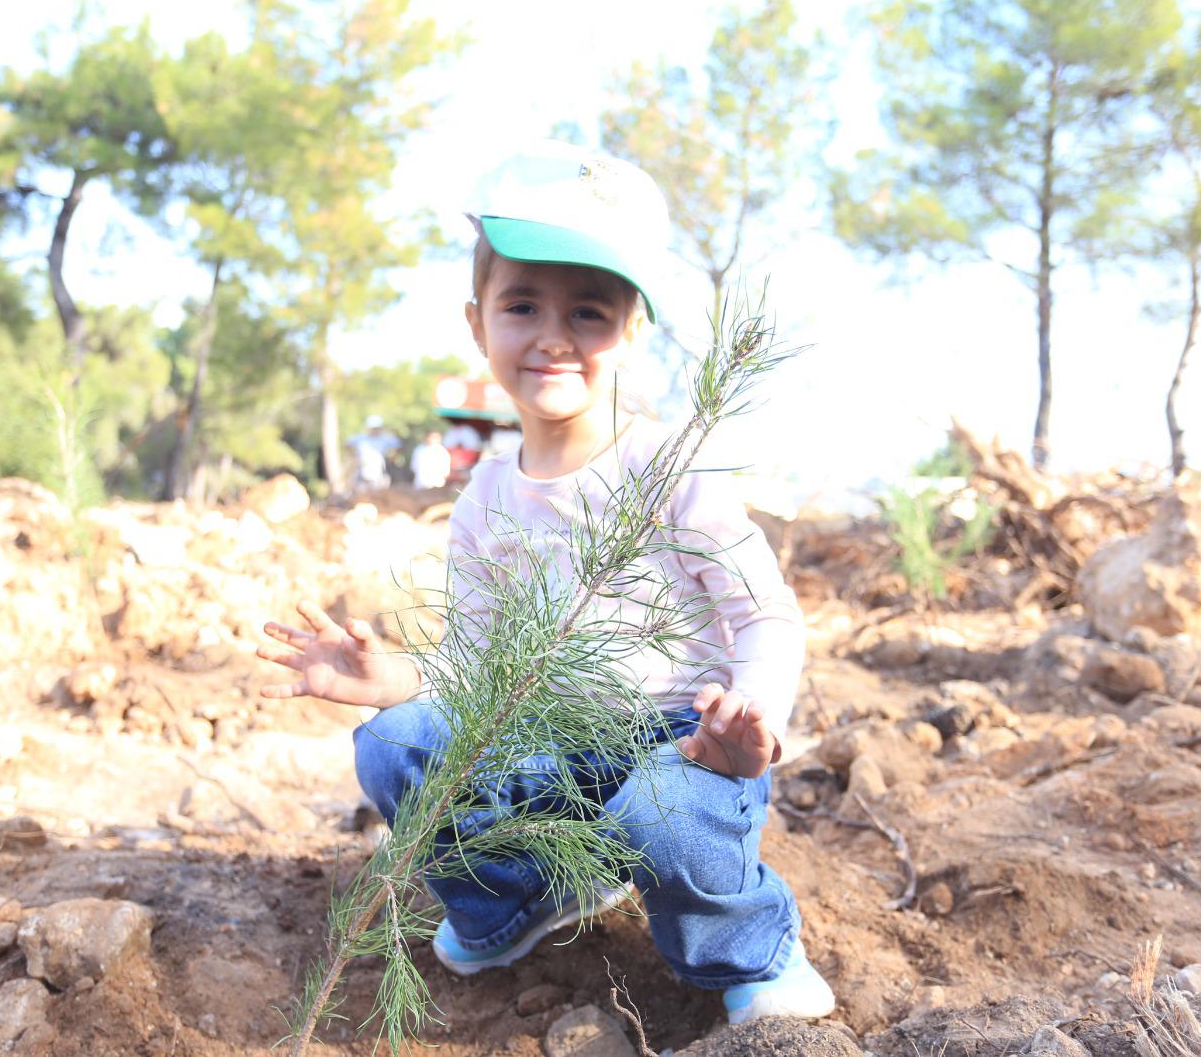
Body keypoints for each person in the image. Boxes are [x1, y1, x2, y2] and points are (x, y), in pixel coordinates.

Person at [257, 141, 834, 1026]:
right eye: (522, 304)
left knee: (669, 815)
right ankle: (521, 898)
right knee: (395, 744)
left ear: (633, 331)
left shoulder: (672, 467)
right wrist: (393, 678)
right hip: (541, 742)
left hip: (683, 740)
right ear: (477, 321)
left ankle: (750, 949)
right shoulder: (485, 495)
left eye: (589, 312)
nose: (554, 335)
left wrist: (748, 721)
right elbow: (478, 667)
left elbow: (765, 617)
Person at [348, 415, 400, 493]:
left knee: (380, 495)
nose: (375, 430)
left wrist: (391, 458)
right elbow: (347, 445)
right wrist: (354, 457)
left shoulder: (385, 439)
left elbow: (398, 446)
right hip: (362, 473)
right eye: (373, 428)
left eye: (377, 428)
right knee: (360, 494)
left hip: (379, 473)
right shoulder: (361, 438)